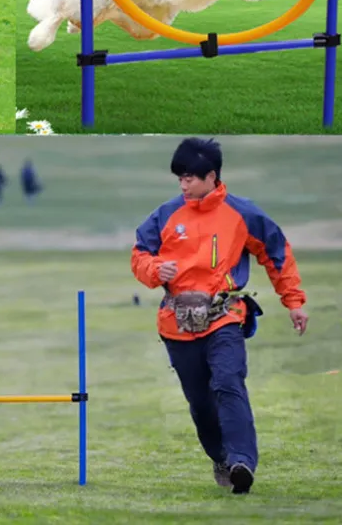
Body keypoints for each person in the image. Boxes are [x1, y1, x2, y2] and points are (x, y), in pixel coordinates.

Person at [131, 137, 308, 495]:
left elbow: (277, 253)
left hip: (224, 316)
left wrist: (294, 301)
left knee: (228, 383)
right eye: (179, 178)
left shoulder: (243, 213)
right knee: (200, 403)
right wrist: (154, 270)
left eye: (190, 178)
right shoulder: (165, 215)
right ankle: (222, 458)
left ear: (211, 176)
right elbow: (139, 254)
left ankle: (243, 461)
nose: (183, 185)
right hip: (177, 323)